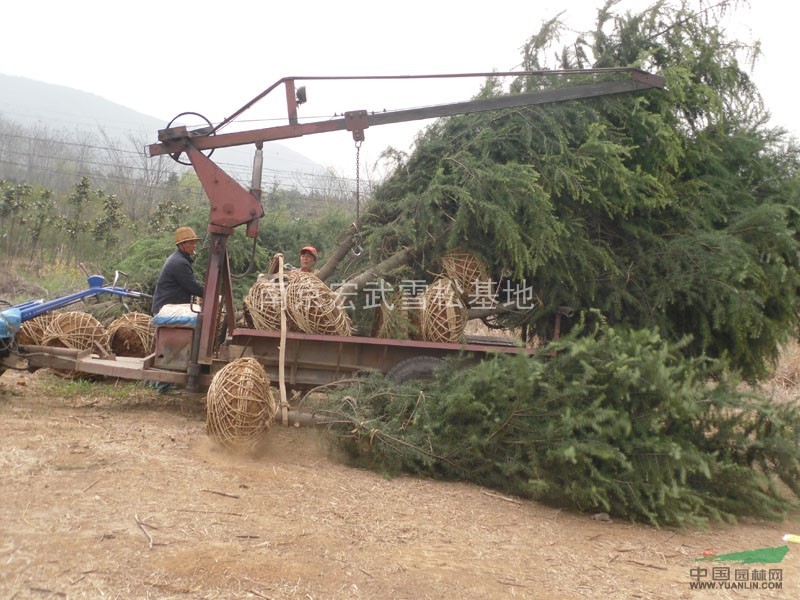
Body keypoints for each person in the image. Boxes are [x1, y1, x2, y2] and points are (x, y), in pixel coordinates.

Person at [151, 226, 205, 316]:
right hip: (165, 310)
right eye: (191, 243)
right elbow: (193, 287)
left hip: (169, 308)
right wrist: (211, 295)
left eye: (195, 243)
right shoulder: (179, 262)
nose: (194, 246)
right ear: (181, 245)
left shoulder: (179, 259)